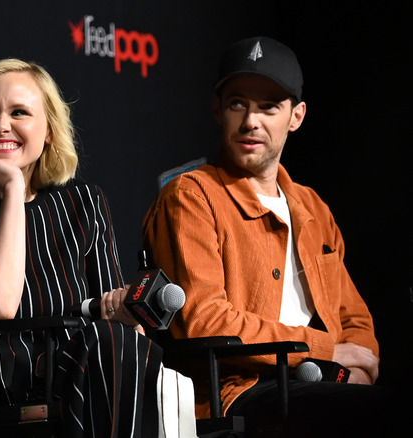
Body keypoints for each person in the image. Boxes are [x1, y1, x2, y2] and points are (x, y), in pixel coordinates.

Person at [0, 58, 195, 437]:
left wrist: (124, 313)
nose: (2, 126)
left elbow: (121, 329)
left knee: (123, 345)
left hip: (87, 376)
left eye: (20, 112)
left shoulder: (84, 202)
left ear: (48, 131)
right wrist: (12, 188)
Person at [142, 36, 400, 436]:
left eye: (268, 107)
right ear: (217, 109)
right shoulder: (191, 194)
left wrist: (359, 368)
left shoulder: (312, 205)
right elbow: (205, 320)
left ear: (295, 116)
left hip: (318, 383)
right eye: (237, 104)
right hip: (238, 390)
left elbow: (354, 318)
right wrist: (325, 350)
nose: (250, 121)